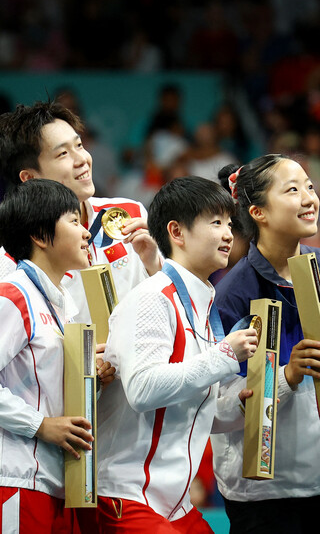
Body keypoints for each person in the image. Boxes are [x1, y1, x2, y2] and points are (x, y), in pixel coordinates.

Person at [211, 155, 320, 533]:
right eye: (293, 190)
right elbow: (216, 410)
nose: (309, 197)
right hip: (267, 498)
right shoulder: (231, 296)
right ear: (259, 212)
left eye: (310, 187)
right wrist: (285, 375)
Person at [95, 176, 259, 532]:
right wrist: (224, 355)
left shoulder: (202, 305)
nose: (228, 234)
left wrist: (240, 407)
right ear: (177, 231)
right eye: (215, 222)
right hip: (126, 496)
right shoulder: (152, 297)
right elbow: (142, 390)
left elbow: (192, 411)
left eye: (230, 224)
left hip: (174, 505)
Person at [0, 179, 115, 533]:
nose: (86, 232)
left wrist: (92, 378)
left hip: (51, 481)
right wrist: (41, 426)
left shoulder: (60, 305)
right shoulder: (9, 296)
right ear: (41, 235)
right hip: (9, 480)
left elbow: (47, 390)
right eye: (73, 221)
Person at [0, 101, 162, 322]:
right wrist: (78, 356)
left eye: (79, 145)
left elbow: (171, 309)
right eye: (62, 154)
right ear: (30, 178)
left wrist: (155, 265)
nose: (82, 160)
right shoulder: (10, 263)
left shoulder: (129, 214)